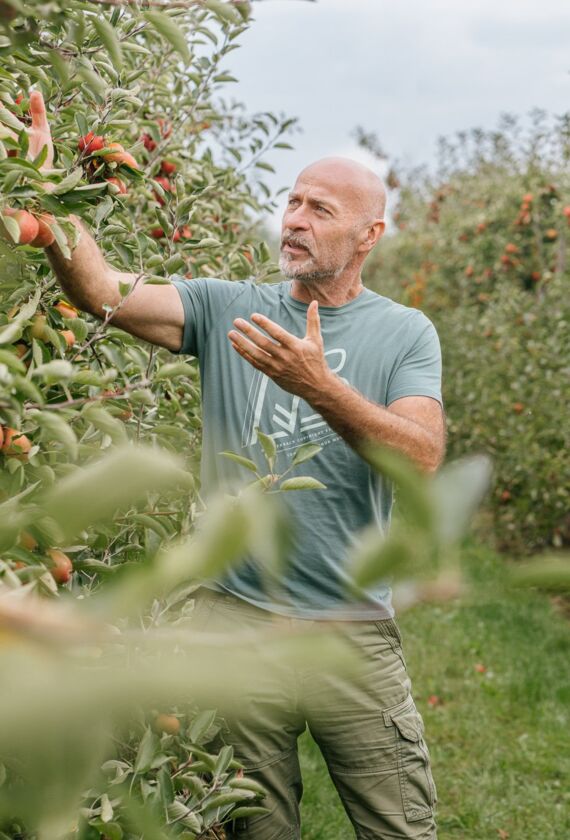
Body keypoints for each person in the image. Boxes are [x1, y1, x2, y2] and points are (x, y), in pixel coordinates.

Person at [28, 91, 445, 839]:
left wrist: (318, 387)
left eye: (320, 209)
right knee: (255, 825)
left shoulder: (405, 333)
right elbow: (100, 292)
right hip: (236, 623)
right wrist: (50, 196)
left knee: (399, 828)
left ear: (368, 234)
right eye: (292, 202)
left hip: (348, 634)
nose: (294, 220)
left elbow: (421, 456)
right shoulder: (228, 307)